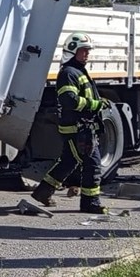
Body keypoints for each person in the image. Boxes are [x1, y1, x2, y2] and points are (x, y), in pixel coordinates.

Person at [32, 32, 109, 215]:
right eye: (83, 51)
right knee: (93, 164)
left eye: (88, 51)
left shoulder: (78, 71)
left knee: (68, 162)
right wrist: (95, 104)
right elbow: (69, 100)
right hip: (77, 129)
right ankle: (90, 202)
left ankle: (43, 192)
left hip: (82, 127)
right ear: (73, 51)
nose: (87, 54)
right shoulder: (68, 73)